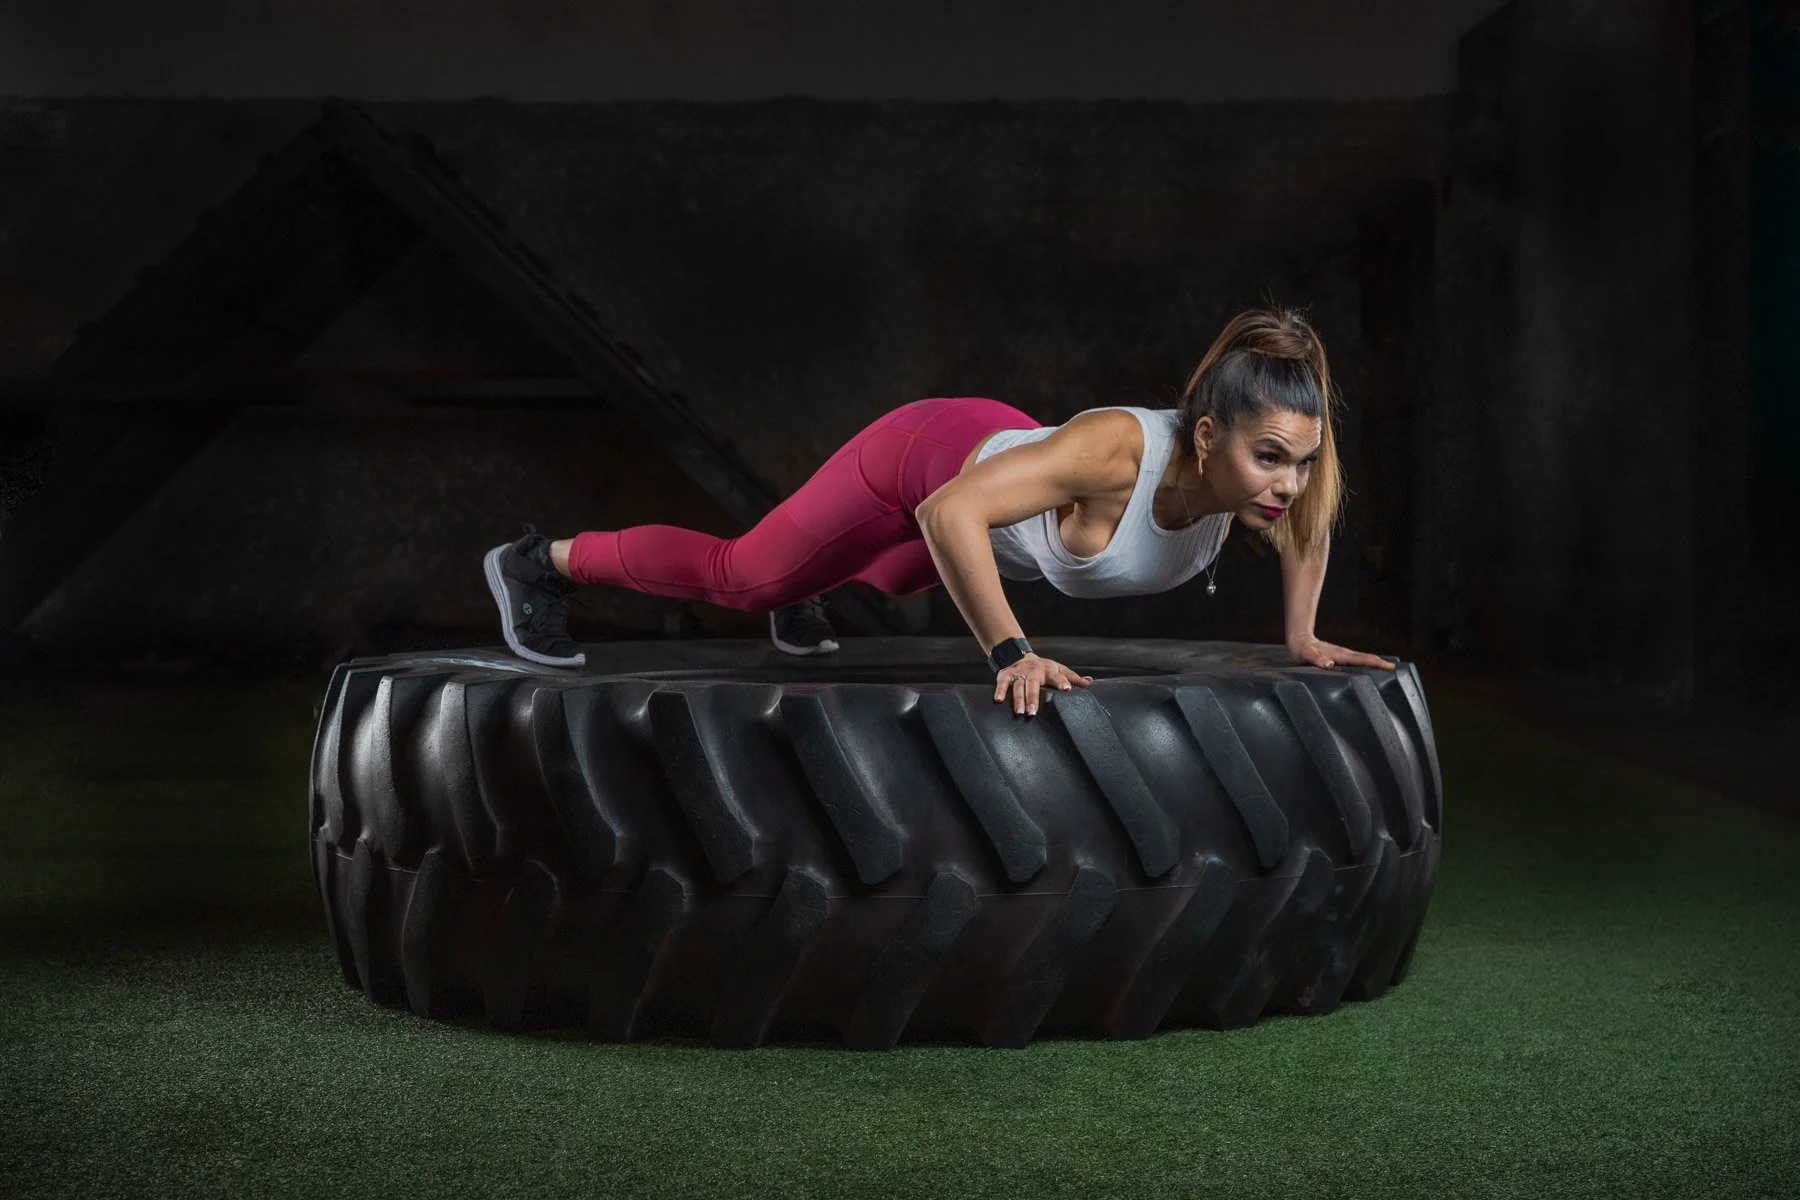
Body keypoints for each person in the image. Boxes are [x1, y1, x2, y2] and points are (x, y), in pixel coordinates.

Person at [483, 305, 1394, 714]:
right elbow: (953, 516)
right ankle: (539, 562)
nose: (1288, 485)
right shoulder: (1119, 454)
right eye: (1269, 458)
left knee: (877, 570)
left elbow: (1305, 528)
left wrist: (1304, 638)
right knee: (748, 578)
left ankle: (818, 584)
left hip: (1008, 462)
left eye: (1303, 462)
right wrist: (1013, 653)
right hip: (924, 459)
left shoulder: (1264, 489)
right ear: (1202, 436)